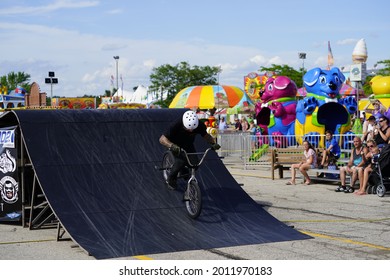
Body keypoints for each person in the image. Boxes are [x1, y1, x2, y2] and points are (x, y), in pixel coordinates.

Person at [159, 110, 221, 189]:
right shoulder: (176, 125)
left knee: (195, 164)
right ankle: (171, 179)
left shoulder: (199, 125)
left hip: (188, 144)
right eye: (188, 129)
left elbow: (206, 135)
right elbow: (162, 139)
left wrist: (213, 143)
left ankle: (183, 170)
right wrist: (172, 146)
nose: (190, 131)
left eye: (192, 129)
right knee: (180, 161)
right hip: (175, 144)